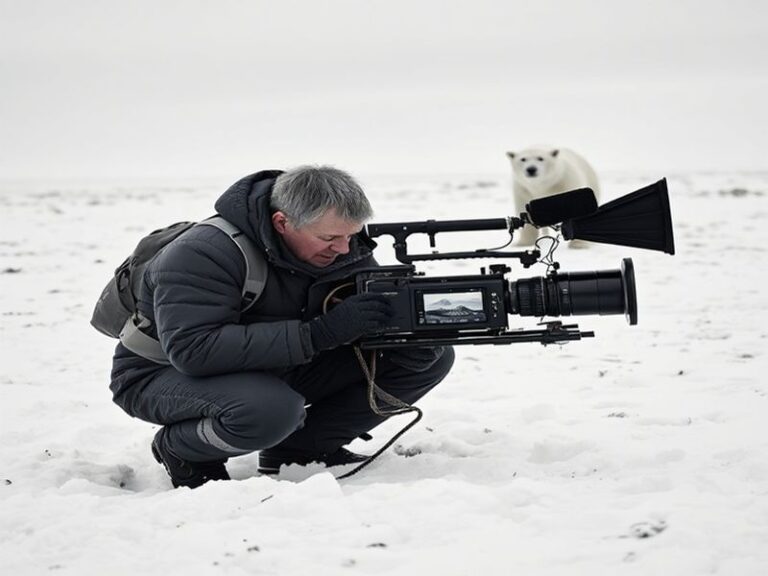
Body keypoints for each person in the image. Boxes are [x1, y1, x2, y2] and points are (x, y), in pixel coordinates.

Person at [109, 166, 455, 488]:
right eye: (329, 237)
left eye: (351, 235)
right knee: (269, 411)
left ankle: (301, 451)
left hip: (272, 363)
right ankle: (184, 449)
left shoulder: (345, 248)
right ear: (282, 222)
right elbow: (194, 351)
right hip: (159, 373)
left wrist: (404, 335)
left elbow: (364, 318)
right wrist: (319, 334)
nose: (344, 248)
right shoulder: (203, 252)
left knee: (430, 357)